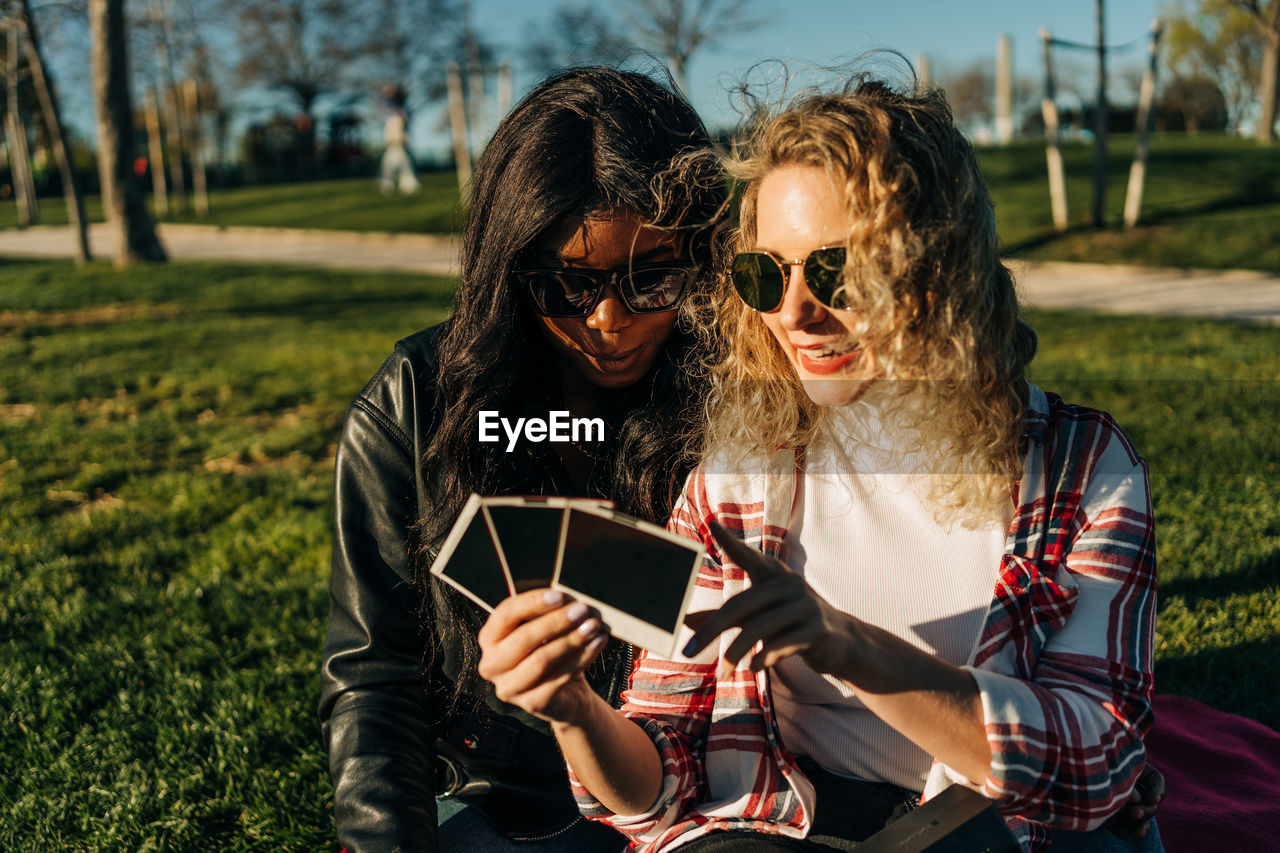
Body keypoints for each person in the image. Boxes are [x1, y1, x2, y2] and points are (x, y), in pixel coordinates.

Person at [476, 75, 1163, 851]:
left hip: (983, 830)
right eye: (765, 274)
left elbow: (1100, 762)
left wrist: (847, 645)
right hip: (771, 824)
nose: (794, 313)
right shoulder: (740, 476)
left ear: (938, 264)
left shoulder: (1081, 471)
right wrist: (572, 708)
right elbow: (660, 774)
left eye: (836, 271)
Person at [319, 67, 724, 852]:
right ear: (509, 271)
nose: (610, 319)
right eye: (567, 285)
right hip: (503, 805)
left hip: (701, 797)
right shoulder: (416, 401)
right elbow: (377, 676)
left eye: (655, 278)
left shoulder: (737, 397)